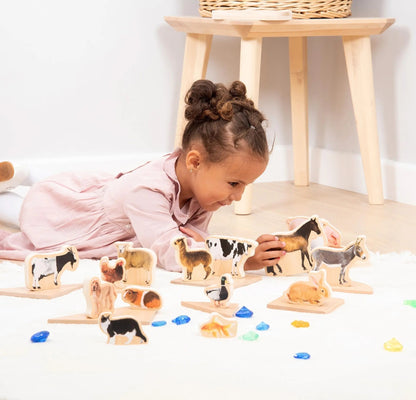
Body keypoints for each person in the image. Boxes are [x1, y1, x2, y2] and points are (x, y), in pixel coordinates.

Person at [0, 80, 286, 271]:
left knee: (40, 196)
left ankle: (23, 176)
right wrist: (243, 259)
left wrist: (237, 248)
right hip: (72, 216)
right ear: (195, 162)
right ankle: (24, 177)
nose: (237, 197)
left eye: (245, 185)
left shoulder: (204, 191)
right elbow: (171, 251)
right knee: (29, 215)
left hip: (115, 200)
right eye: (234, 183)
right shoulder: (148, 192)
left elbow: (196, 239)